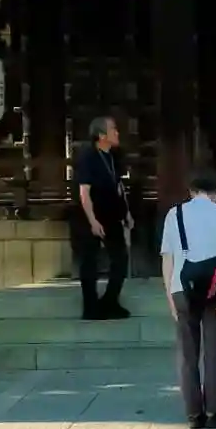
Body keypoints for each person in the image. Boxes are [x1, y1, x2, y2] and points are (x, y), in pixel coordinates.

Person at [160, 167, 216, 429]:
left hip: (183, 288)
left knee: (187, 353)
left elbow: (168, 259)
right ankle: (215, 411)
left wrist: (170, 296)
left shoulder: (174, 214)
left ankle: (194, 413)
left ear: (191, 191)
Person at [71, 114, 132, 320]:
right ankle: (90, 307)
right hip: (90, 215)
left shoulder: (114, 156)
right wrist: (92, 221)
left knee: (120, 259)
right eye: (113, 129)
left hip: (112, 214)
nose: (117, 133)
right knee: (89, 261)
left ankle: (110, 301)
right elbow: (84, 192)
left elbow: (119, 186)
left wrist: (126, 212)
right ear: (101, 135)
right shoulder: (88, 156)